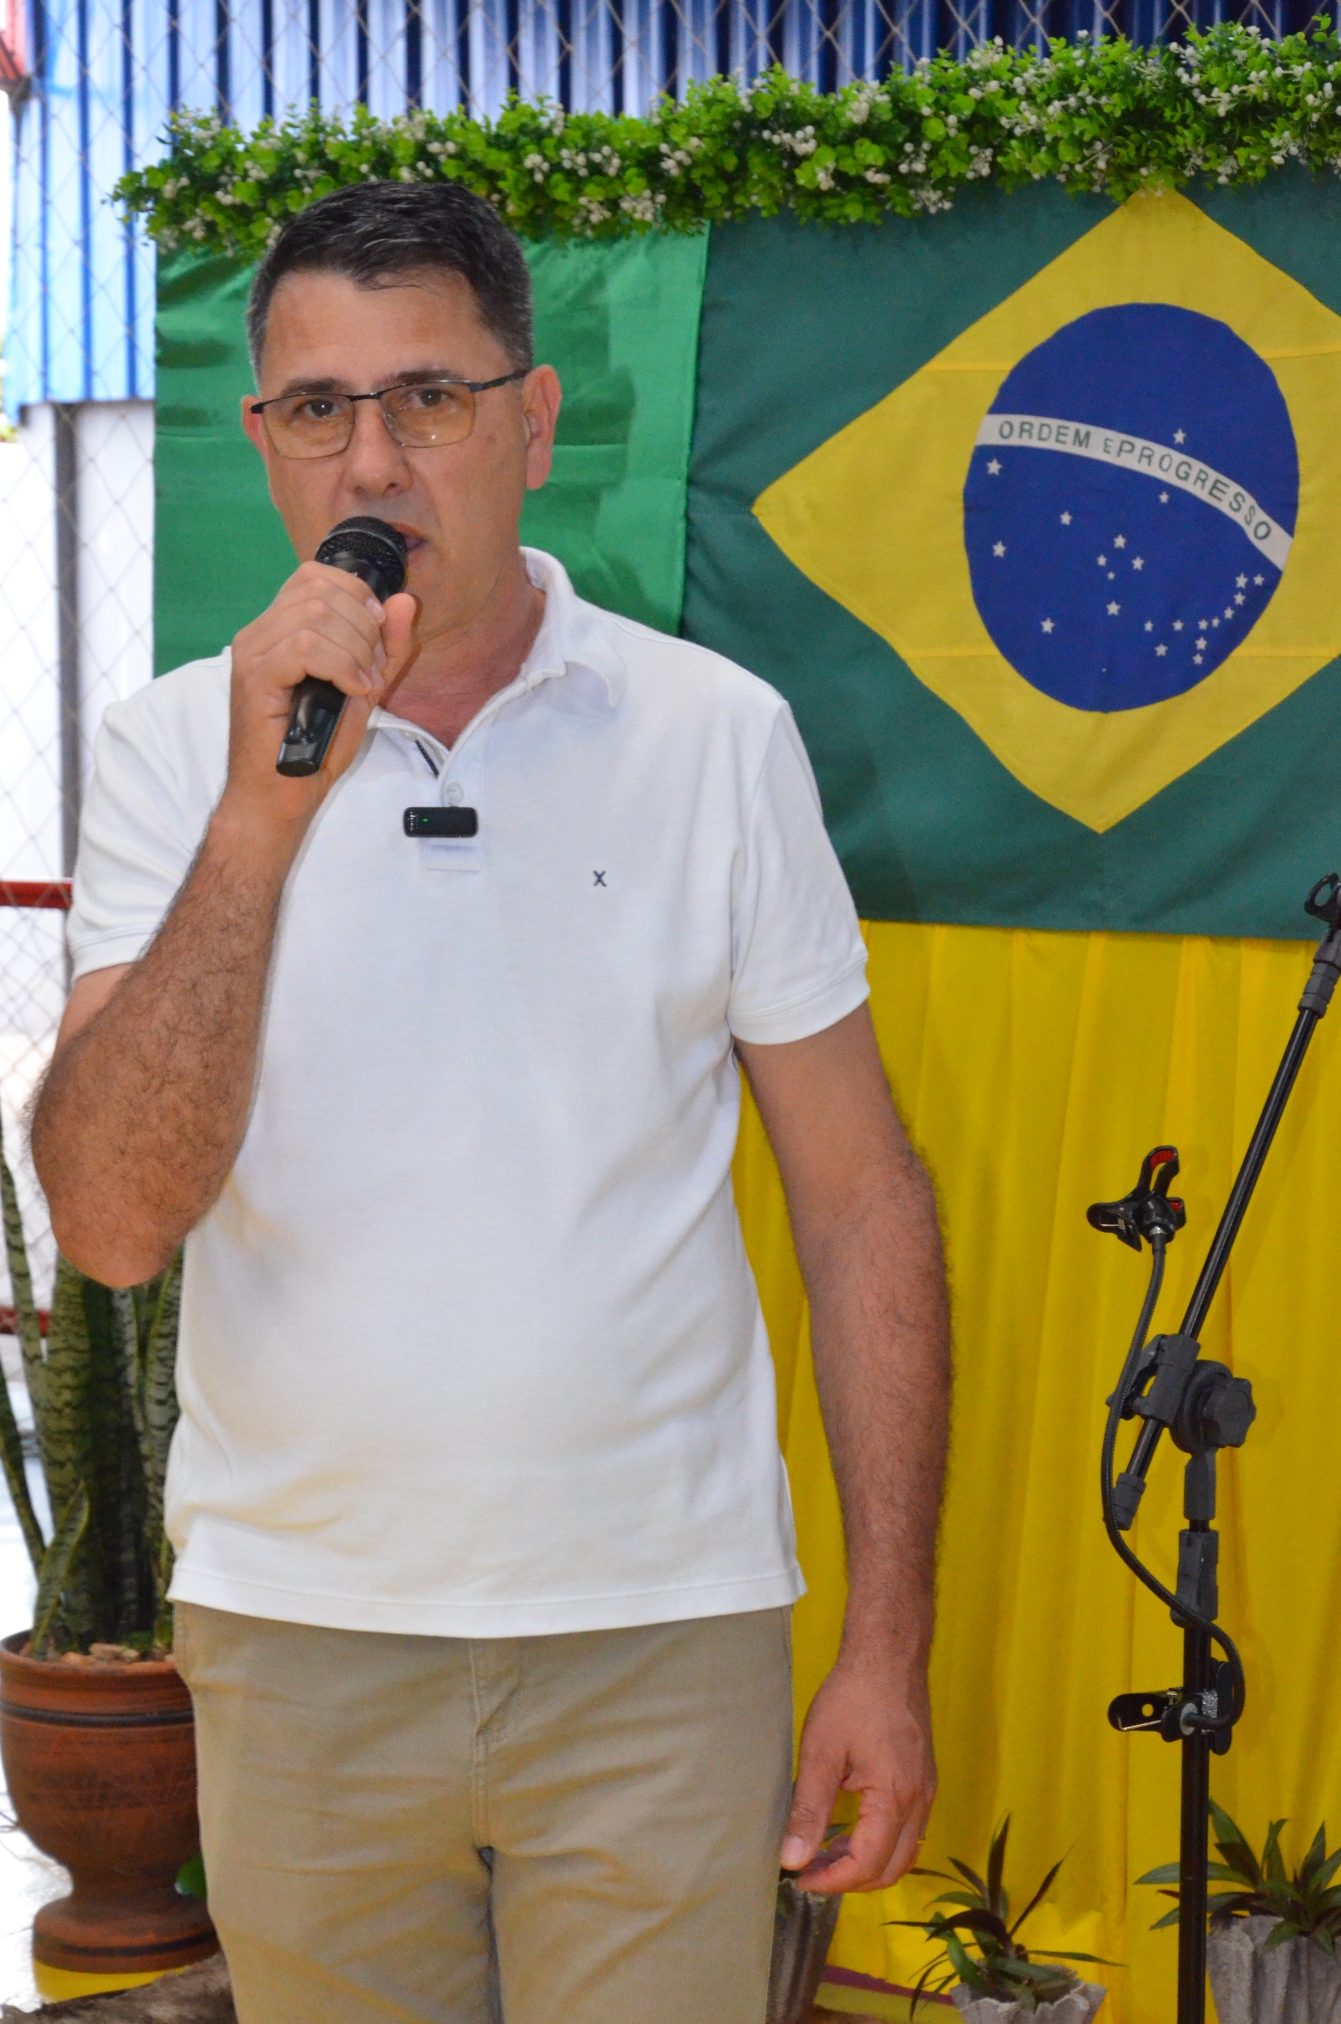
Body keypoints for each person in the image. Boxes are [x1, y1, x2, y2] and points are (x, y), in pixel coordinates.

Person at [31, 181, 950, 2024]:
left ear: (531, 424)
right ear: (263, 442)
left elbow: (860, 1201)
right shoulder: (174, 753)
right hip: (302, 1638)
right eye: (320, 409)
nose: (372, 463)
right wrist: (263, 813)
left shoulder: (716, 738)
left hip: (657, 1635)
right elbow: (114, 1222)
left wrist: (882, 1645)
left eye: (428, 400)